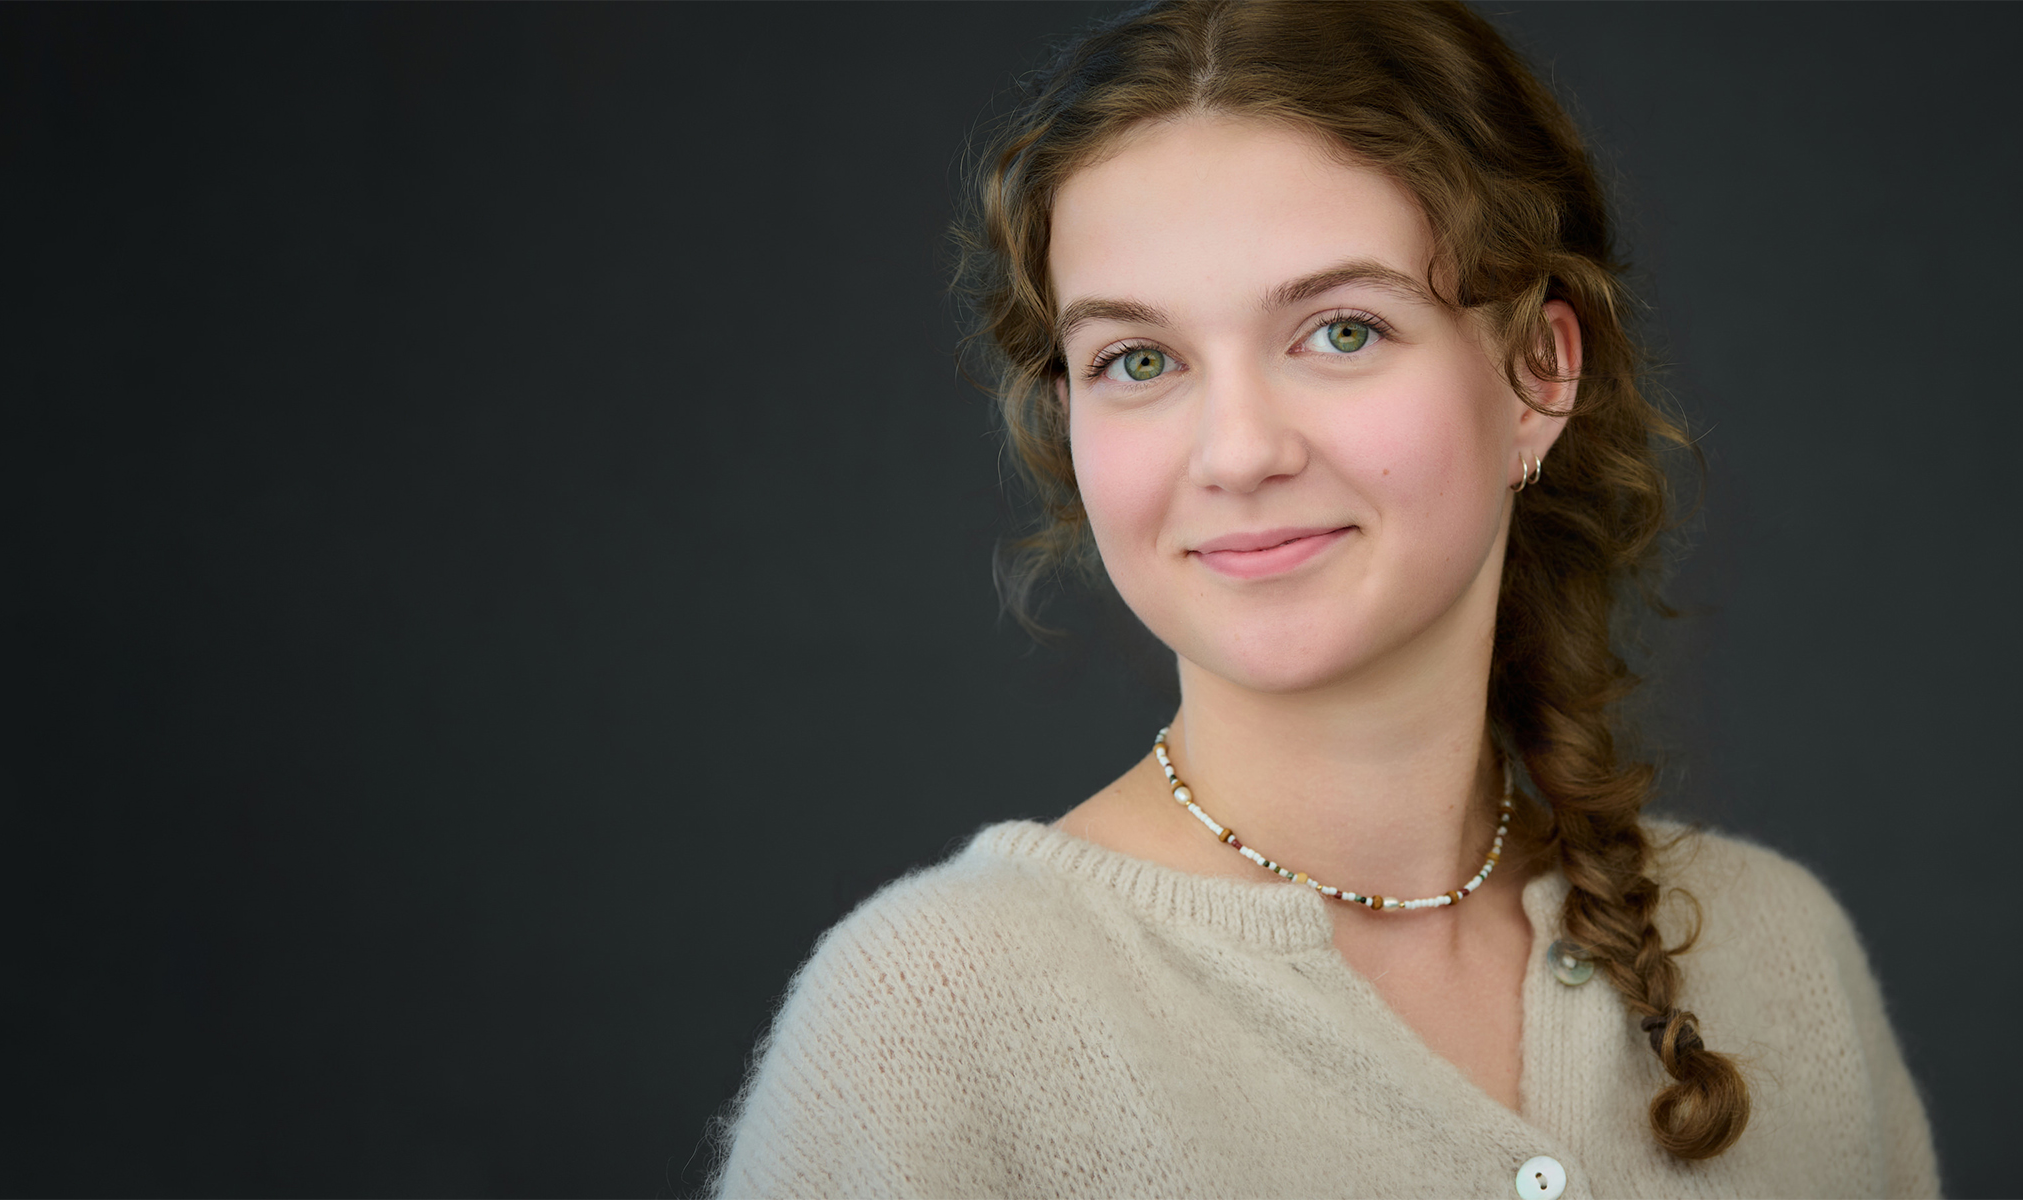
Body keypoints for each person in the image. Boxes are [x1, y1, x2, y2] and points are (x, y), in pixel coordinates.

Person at [713, 2, 1939, 1196]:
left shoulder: (1781, 957)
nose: (1238, 452)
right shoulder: (929, 1024)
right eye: (1139, 360)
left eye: (1341, 331)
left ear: (1538, 371)